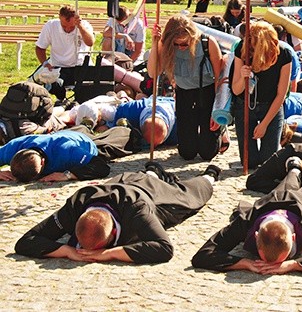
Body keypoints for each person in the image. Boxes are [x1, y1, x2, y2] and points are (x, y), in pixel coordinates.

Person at [15, 163, 216, 264]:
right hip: (123, 182)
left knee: (192, 197)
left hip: (150, 196)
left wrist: (108, 253)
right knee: (143, 176)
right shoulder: (76, 205)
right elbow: (25, 241)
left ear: (112, 234)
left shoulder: (137, 212)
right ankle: (152, 172)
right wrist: (67, 251)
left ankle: (210, 175)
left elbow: (164, 248)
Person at [192, 157, 302, 275]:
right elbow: (202, 255)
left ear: (293, 237)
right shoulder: (246, 222)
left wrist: (293, 264)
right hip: (273, 201)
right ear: (256, 234)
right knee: (285, 186)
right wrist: (243, 262)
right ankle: (295, 169)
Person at [147, 15, 223, 160]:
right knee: (187, 153)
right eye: (177, 44)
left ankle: (220, 135)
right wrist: (155, 44)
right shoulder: (167, 45)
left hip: (207, 93)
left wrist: (217, 110)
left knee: (208, 153)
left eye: (185, 44)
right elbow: (153, 72)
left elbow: (219, 78)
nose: (181, 47)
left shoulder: (207, 42)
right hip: (184, 94)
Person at [231, 21, 292, 170]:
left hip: (271, 105)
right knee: (249, 162)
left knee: (268, 162)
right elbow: (236, 90)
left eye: (255, 48)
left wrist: (264, 124)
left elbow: (281, 94)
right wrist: (242, 77)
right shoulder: (242, 49)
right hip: (245, 104)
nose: (252, 51)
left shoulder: (284, 54)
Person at [34, 5, 95, 100]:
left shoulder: (84, 25)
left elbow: (90, 42)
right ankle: (61, 100)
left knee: (85, 93)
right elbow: (40, 48)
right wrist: (45, 63)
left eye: (71, 27)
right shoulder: (51, 25)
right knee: (54, 85)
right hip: (58, 67)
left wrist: (80, 27)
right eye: (64, 26)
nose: (67, 29)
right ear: (59, 18)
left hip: (80, 66)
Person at [0, 130, 109, 182]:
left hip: (83, 141)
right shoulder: (12, 148)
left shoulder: (67, 151)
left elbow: (102, 167)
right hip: (56, 135)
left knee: (112, 146)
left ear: (42, 162)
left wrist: (68, 175)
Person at [112, 96, 178, 147]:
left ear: (167, 126)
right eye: (149, 143)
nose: (154, 147)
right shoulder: (129, 111)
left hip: (171, 102)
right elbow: (119, 112)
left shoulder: (179, 130)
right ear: (141, 126)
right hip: (149, 101)